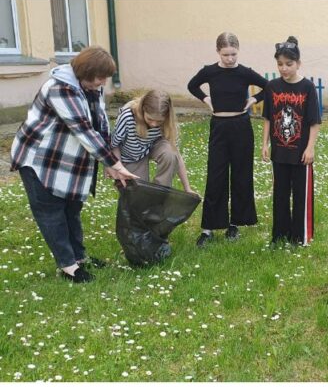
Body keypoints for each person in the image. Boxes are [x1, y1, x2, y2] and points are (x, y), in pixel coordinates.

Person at [10, 46, 138, 283]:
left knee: (72, 208)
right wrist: (115, 164)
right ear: (86, 72)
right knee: (51, 212)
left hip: (66, 159)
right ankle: (68, 267)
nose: (102, 83)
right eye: (100, 78)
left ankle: (79, 258)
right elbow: (83, 129)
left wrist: (110, 162)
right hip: (39, 158)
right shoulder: (60, 87)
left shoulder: (90, 87)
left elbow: (99, 126)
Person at [187, 32, 268, 248]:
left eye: (233, 54)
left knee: (241, 175)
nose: (230, 59)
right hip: (219, 127)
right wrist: (206, 99)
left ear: (238, 50)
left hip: (241, 127)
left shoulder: (245, 73)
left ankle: (235, 225)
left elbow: (268, 87)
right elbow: (192, 85)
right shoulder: (210, 72)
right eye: (225, 55)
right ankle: (208, 229)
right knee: (216, 175)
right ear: (218, 52)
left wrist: (253, 99)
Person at [261, 36, 321, 246]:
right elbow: (268, 118)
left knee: (300, 196)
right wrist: (265, 144)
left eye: (289, 64)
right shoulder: (272, 87)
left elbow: (314, 122)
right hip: (279, 152)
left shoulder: (307, 88)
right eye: (280, 64)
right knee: (280, 195)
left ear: (298, 63)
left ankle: (300, 236)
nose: (284, 69)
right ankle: (279, 235)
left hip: (301, 153)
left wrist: (310, 148)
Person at [110, 89, 195, 193]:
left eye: (159, 121)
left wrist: (187, 188)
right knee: (136, 194)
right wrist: (119, 169)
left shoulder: (167, 122)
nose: (154, 124)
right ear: (143, 109)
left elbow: (176, 155)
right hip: (130, 155)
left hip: (152, 146)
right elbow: (114, 145)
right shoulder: (127, 117)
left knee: (170, 154)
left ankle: (159, 193)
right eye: (150, 119)